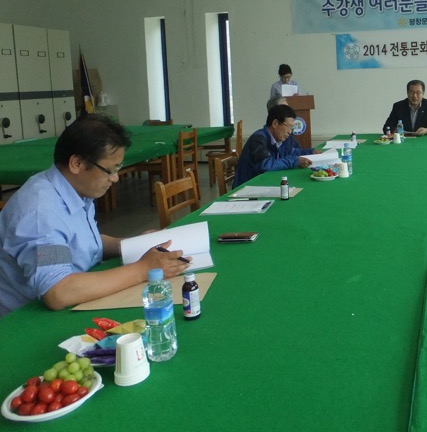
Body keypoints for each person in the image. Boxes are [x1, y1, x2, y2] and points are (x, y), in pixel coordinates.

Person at [0, 114, 190, 317]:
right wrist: (142, 269)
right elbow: (58, 291)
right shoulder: (41, 214)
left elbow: (80, 243)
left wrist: (133, 244)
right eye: (109, 170)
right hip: (27, 319)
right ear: (77, 163)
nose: (115, 178)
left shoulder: (73, 190)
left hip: (77, 295)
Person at [234, 104, 318, 186]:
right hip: (247, 188)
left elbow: (291, 151)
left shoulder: (279, 138)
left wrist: (311, 152)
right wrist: (295, 161)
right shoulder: (258, 139)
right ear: (275, 123)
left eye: (292, 128)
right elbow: (265, 165)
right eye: (288, 127)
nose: (290, 132)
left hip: (264, 183)